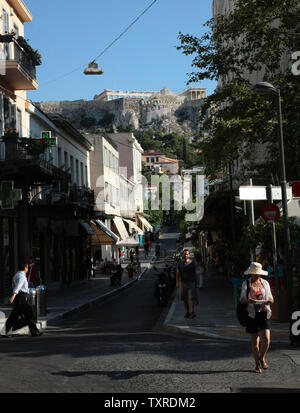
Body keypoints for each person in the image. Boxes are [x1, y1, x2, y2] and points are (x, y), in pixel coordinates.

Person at [240, 262, 274, 374]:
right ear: (251, 273)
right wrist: (249, 301)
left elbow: (271, 298)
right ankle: (257, 364)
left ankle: (262, 357)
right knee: (255, 341)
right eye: (255, 274)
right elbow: (242, 299)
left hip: (264, 313)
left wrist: (268, 300)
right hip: (252, 314)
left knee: (267, 339)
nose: (257, 276)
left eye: (258, 273)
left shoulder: (265, 283)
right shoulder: (246, 283)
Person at [4, 263, 42, 337]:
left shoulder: (17, 275)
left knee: (15, 315)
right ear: (25, 268)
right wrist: (12, 297)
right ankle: (34, 331)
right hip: (21, 297)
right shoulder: (22, 276)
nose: (28, 269)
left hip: (20, 297)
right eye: (27, 267)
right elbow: (17, 287)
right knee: (29, 313)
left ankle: (34, 332)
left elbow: (15, 286)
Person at [176, 249, 198, 319]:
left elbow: (195, 273)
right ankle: (188, 312)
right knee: (184, 299)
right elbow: (177, 273)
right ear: (182, 255)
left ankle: (192, 312)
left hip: (191, 282)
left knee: (192, 298)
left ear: (189, 255)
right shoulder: (180, 263)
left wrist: (196, 282)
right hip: (183, 283)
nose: (186, 255)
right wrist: (177, 282)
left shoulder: (193, 263)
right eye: (185, 254)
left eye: (187, 254)